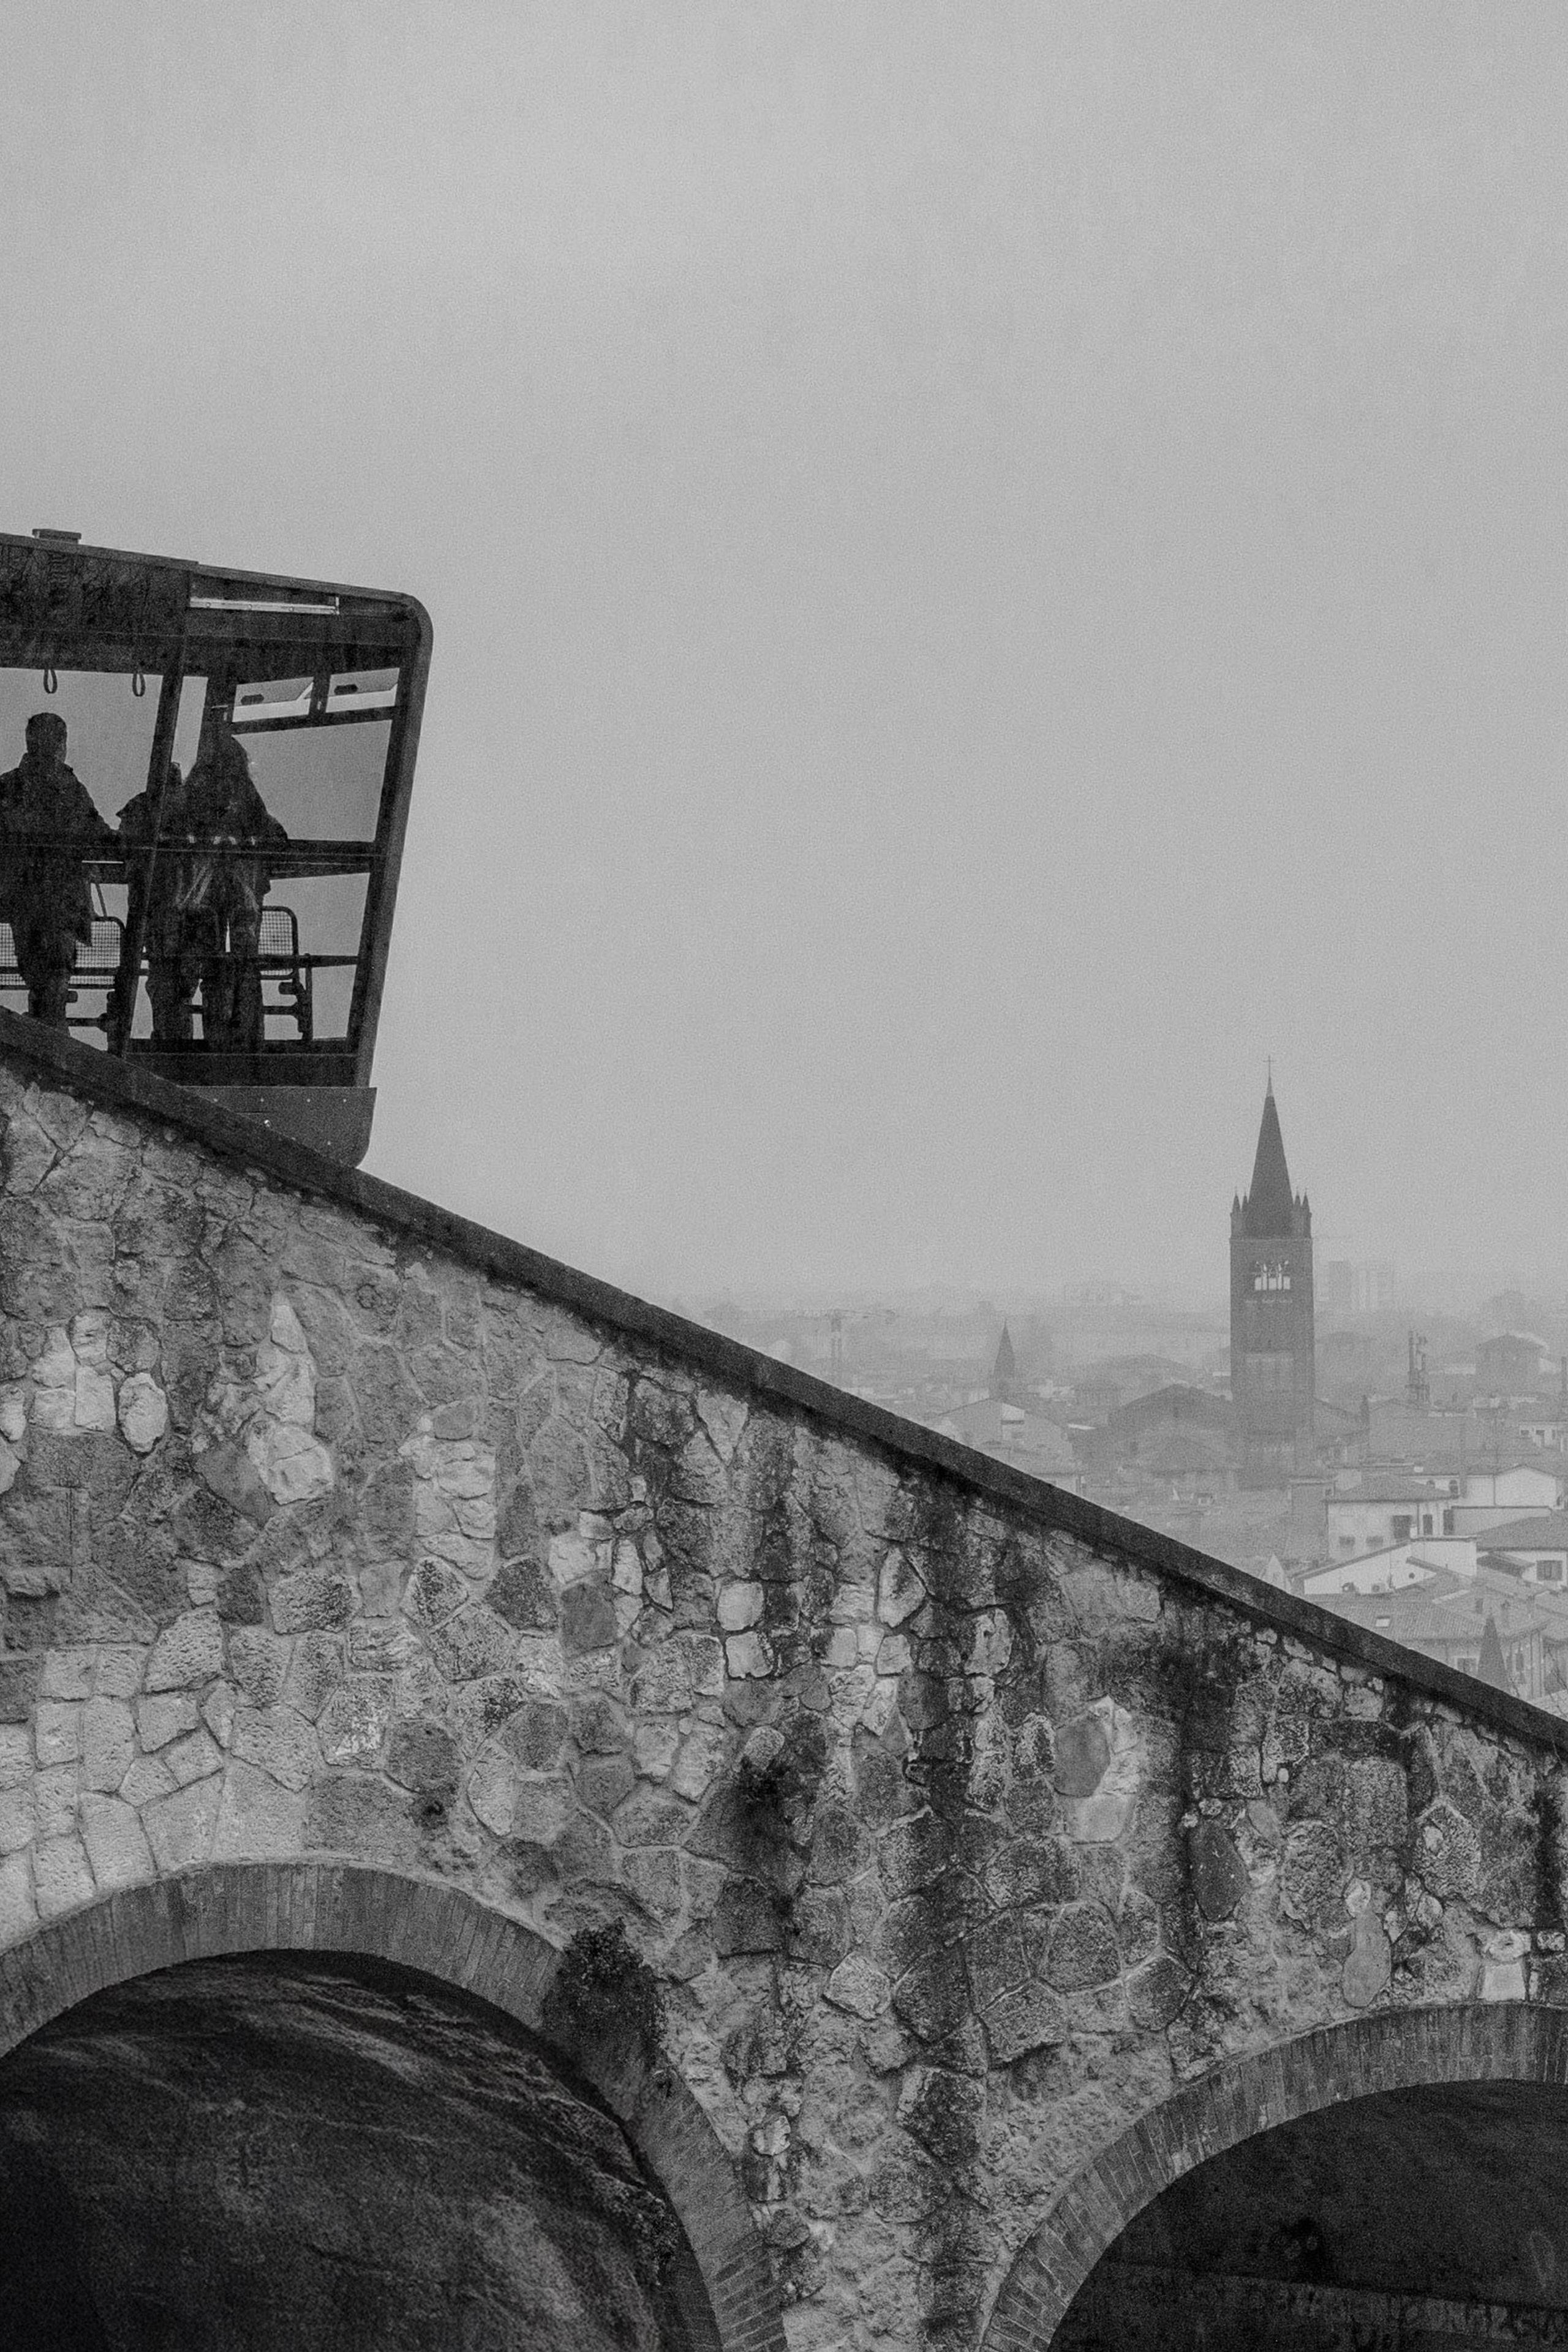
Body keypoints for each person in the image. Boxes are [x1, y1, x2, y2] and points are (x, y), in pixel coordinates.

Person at [150, 728, 288, 1052]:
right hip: (238, 905)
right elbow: (278, 840)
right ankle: (233, 1046)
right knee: (235, 978)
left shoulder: (190, 803)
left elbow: (170, 836)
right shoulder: (247, 803)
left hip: (196, 906)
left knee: (185, 976)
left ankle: (176, 1047)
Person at [0, 712, 115, 1028]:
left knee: (37, 972)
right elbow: (99, 833)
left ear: (29, 742)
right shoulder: (69, 788)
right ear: (62, 744)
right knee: (55, 974)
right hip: (63, 899)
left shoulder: (9, 787)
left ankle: (42, 1038)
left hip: (24, 898)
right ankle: (51, 1041)